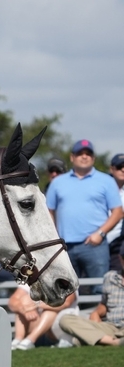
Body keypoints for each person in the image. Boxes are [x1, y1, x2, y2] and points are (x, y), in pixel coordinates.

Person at [46, 140, 123, 294]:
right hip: (64, 247)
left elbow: (118, 212)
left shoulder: (106, 181)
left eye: (88, 153)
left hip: (95, 246)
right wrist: (54, 238)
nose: (84, 156)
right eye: (80, 153)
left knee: (100, 291)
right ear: (72, 157)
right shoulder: (57, 182)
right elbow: (48, 212)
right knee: (65, 292)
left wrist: (100, 233)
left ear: (93, 158)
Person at [59, 246, 124, 346]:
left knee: (77, 340)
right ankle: (114, 342)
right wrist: (96, 313)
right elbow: (104, 305)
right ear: (120, 258)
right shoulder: (110, 277)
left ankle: (97, 340)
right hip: (110, 326)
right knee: (65, 319)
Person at [8, 285, 78, 350]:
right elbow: (12, 301)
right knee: (22, 302)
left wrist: (36, 304)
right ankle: (18, 339)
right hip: (38, 324)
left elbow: (66, 303)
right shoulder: (31, 280)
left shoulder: (65, 280)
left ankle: (30, 340)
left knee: (50, 311)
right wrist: (25, 310)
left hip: (58, 328)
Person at [105, 154, 124, 272]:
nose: (123, 169)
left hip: (117, 248)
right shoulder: (100, 187)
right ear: (111, 169)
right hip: (94, 244)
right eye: (119, 166)